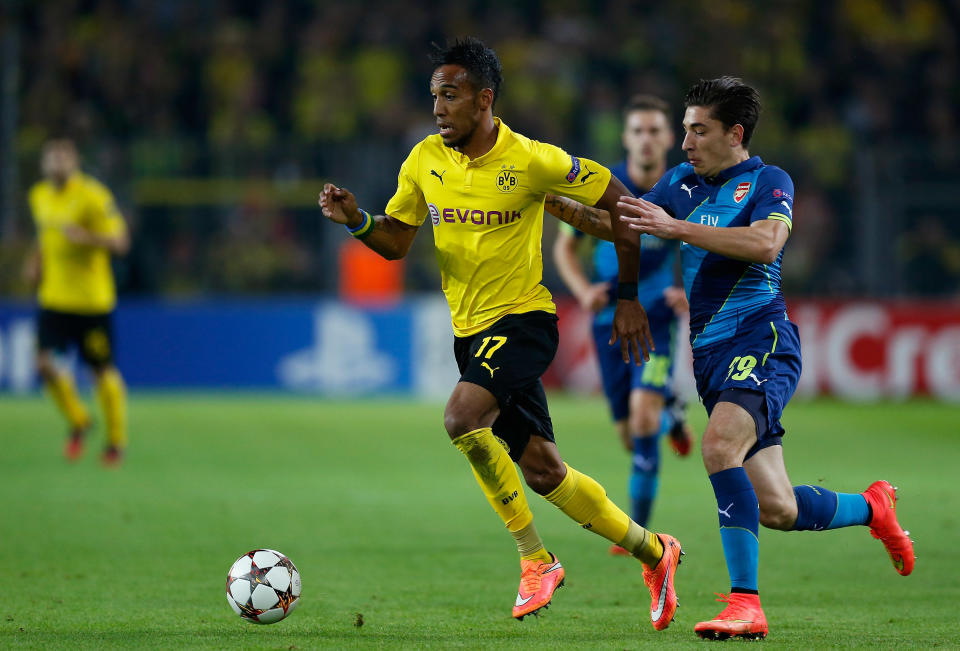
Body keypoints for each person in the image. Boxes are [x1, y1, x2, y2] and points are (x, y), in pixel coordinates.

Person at [319, 37, 683, 630]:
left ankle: (536, 559)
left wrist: (627, 299)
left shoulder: (534, 160)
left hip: (525, 322)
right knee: (544, 472)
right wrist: (358, 220)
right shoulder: (422, 162)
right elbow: (398, 241)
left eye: (452, 95)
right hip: (470, 332)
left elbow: (626, 209)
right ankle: (654, 551)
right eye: (435, 94)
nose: (439, 107)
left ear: (484, 99)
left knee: (462, 417)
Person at [610, 77, 914, 640]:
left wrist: (677, 228)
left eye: (699, 130)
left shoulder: (768, 181)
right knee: (777, 509)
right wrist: (548, 203)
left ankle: (745, 603)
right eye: (685, 130)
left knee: (719, 445)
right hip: (710, 358)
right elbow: (622, 219)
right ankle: (874, 508)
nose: (685, 143)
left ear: (735, 133)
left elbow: (766, 244)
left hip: (762, 340)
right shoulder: (680, 182)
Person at [549, 95, 695, 554]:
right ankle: (672, 411)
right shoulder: (603, 185)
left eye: (655, 131)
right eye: (638, 131)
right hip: (608, 318)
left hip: (655, 319)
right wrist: (581, 289)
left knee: (641, 415)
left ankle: (642, 533)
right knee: (629, 434)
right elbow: (564, 249)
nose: (647, 140)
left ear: (670, 138)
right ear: (626, 137)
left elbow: (705, 245)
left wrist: (689, 290)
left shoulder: (684, 190)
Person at [24, 139, 130, 466]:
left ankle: (115, 441)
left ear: (75, 162)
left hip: (91, 303)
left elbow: (121, 243)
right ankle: (79, 420)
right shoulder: (38, 196)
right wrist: (36, 260)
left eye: (62, 159)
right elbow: (46, 235)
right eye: (51, 159)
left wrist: (88, 238)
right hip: (54, 299)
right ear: (44, 164)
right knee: (42, 364)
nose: (56, 164)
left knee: (102, 373)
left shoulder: (94, 196)